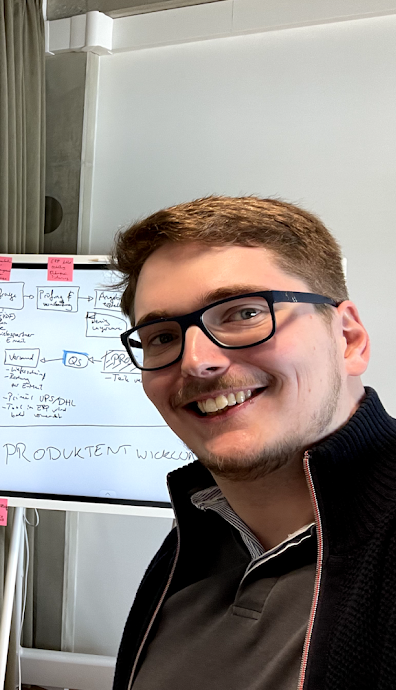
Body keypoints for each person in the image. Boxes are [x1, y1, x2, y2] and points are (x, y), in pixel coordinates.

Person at [110, 196, 396, 690]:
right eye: (160, 337)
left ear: (348, 338)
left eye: (243, 313)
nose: (196, 361)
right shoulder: (199, 531)